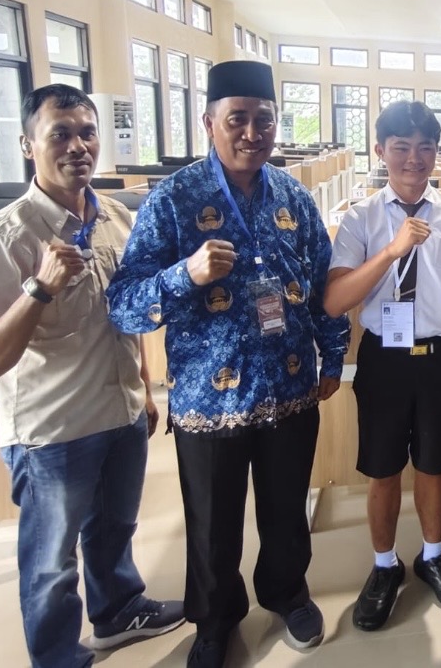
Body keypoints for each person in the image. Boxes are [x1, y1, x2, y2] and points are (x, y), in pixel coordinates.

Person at [106, 61, 349, 668]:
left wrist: (334, 355)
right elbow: (125, 306)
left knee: (286, 511)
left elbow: (325, 284)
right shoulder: (174, 199)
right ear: (208, 122)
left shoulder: (294, 196)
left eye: (264, 119)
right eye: (237, 118)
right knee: (213, 525)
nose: (251, 132)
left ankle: (288, 594)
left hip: (290, 385)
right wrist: (184, 274)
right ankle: (214, 622)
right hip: (208, 399)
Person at [0, 84, 184, 668]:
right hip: (52, 429)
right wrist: (39, 289)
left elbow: (127, 311)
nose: (77, 146)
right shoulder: (4, 237)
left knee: (114, 529)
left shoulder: (116, 218)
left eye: (87, 132)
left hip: (120, 409)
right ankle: (57, 657)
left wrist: (143, 384)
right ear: (28, 144)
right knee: (51, 563)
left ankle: (118, 612)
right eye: (60, 133)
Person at [325, 101, 441, 630]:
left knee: (434, 466)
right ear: (380, 151)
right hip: (384, 360)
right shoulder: (361, 217)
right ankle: (384, 564)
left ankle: (433, 556)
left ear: (436, 152)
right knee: (383, 468)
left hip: (440, 358)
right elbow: (335, 300)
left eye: (424, 148)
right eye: (401, 147)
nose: (414, 158)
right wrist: (392, 251)